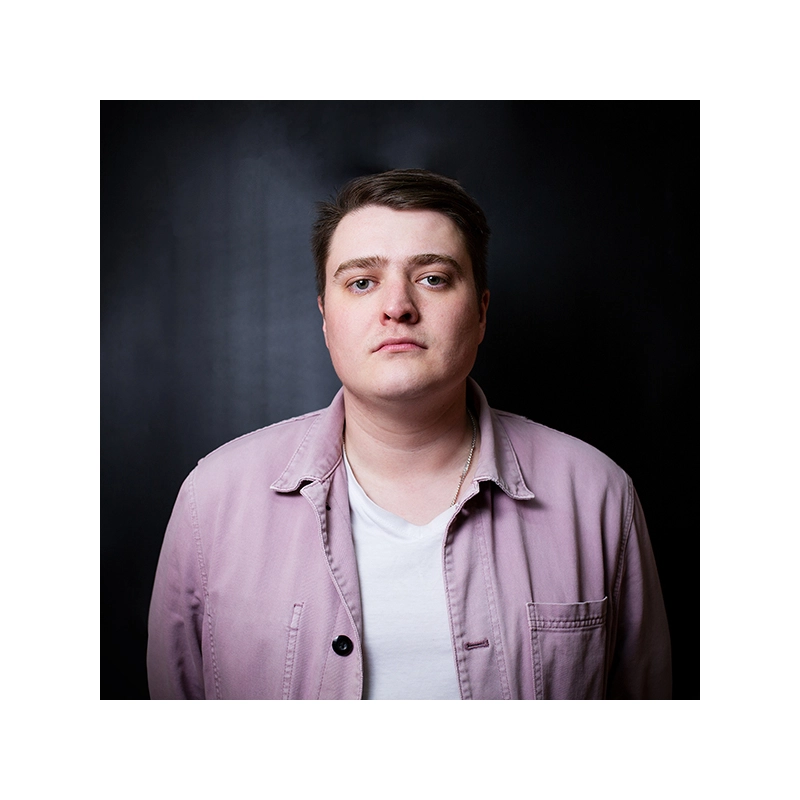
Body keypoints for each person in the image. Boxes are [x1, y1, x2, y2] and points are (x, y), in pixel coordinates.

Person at [147, 168, 671, 699]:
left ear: (481, 313)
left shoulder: (597, 495)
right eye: (361, 282)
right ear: (325, 317)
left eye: (433, 278)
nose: (397, 306)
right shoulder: (212, 501)